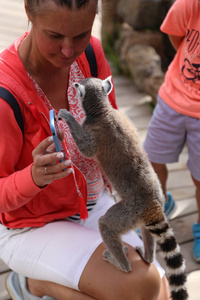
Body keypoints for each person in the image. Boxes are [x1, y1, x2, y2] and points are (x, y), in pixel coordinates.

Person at [0, 1, 170, 299]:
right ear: (28, 11)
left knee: (160, 291)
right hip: (33, 225)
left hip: (95, 202)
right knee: (140, 285)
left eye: (80, 34)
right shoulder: (6, 94)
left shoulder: (90, 52)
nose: (68, 51)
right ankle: (32, 285)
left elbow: (114, 125)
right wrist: (34, 177)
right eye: (54, 36)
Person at [144, 0, 200, 263]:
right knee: (153, 157)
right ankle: (161, 202)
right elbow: (175, 35)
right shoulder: (189, 5)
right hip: (173, 96)